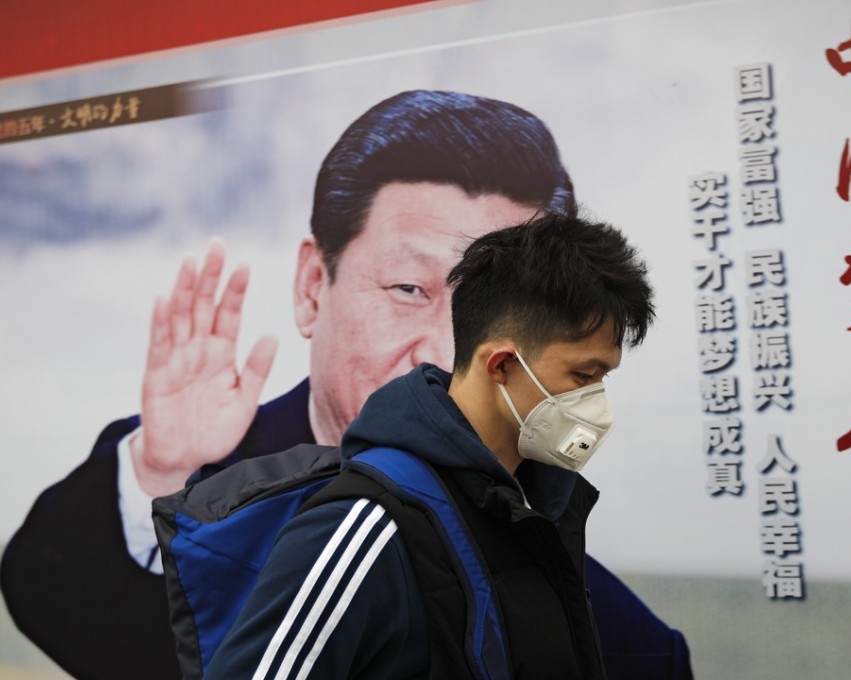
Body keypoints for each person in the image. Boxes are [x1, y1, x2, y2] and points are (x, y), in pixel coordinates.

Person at [2, 90, 692, 679]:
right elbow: (49, 594)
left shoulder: (632, 646)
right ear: (312, 286)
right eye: (407, 288)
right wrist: (159, 469)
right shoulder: (227, 488)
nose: (448, 352)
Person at [207, 213, 653, 679]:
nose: (595, 401)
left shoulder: (537, 506)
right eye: (583, 376)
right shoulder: (369, 524)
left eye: (602, 378)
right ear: (500, 365)